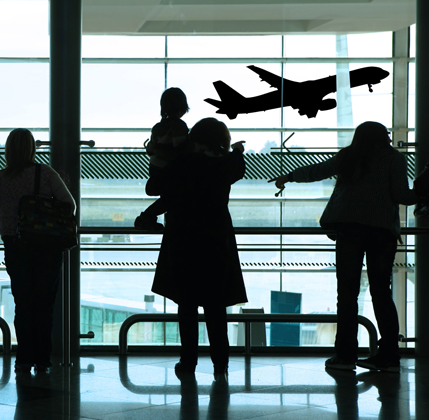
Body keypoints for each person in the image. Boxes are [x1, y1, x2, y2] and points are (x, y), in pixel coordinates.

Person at [269, 121, 419, 373]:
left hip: (349, 231)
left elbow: (317, 171)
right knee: (382, 293)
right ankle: (390, 355)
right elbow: (402, 196)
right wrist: (422, 193)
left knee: (347, 294)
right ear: (384, 137)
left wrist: (289, 177)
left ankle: (346, 354)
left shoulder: (348, 157)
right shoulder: (394, 159)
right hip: (382, 233)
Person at [151, 117, 248, 380]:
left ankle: (188, 360)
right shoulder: (224, 165)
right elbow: (238, 167)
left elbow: (161, 191)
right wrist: (237, 151)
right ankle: (220, 363)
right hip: (215, 242)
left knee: (187, 304)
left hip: (183, 240)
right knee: (215, 306)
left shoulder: (183, 163)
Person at [0, 128, 76, 375]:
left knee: (23, 303)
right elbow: (69, 205)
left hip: (15, 246)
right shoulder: (46, 174)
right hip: (47, 247)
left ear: (8, 149)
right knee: (45, 304)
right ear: (32, 148)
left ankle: (24, 358)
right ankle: (43, 359)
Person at [135, 87, 191, 232]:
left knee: (168, 198)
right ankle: (146, 217)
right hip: (169, 169)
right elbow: (180, 148)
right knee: (172, 199)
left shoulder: (157, 127)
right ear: (182, 107)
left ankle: (148, 218)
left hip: (155, 167)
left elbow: (151, 148)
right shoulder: (179, 126)